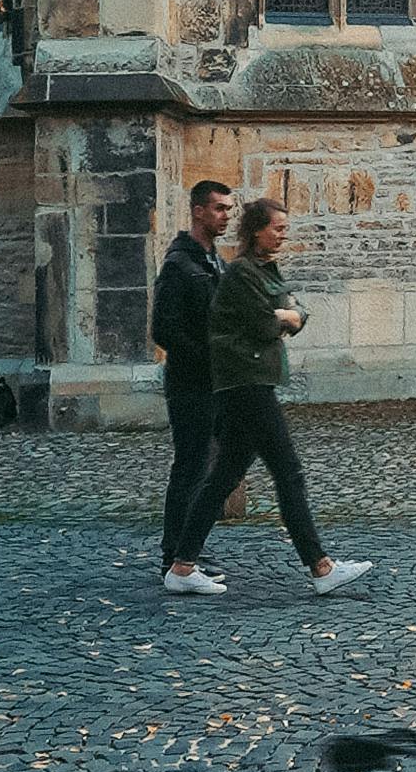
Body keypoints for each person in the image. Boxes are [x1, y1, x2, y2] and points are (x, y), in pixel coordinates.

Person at [195, 197, 371, 598]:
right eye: (277, 228)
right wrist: (285, 316)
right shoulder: (241, 274)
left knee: (224, 475)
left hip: (253, 381)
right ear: (256, 230)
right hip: (247, 383)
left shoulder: (262, 270)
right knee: (288, 472)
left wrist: (288, 315)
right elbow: (263, 322)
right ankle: (321, 566)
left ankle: (182, 564)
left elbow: (296, 311)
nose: (283, 234)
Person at [151, 177, 235, 595]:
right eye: (219, 208)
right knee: (189, 468)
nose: (226, 216)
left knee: (210, 467)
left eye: (228, 209)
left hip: (214, 384)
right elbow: (163, 330)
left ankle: (189, 551)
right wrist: (207, 359)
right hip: (190, 385)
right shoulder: (179, 264)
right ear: (198, 211)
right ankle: (174, 558)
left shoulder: (212, 262)